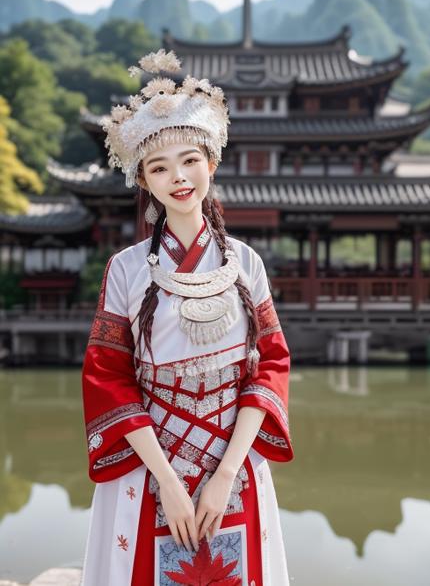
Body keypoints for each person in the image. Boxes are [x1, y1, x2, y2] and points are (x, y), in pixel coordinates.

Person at [80, 49, 294, 586]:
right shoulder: (125, 270)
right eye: (159, 166)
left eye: (189, 159)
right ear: (144, 181)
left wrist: (224, 473)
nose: (179, 177)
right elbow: (109, 379)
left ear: (211, 163)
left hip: (233, 463)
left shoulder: (246, 263)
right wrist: (169, 481)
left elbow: (268, 367)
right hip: (152, 465)